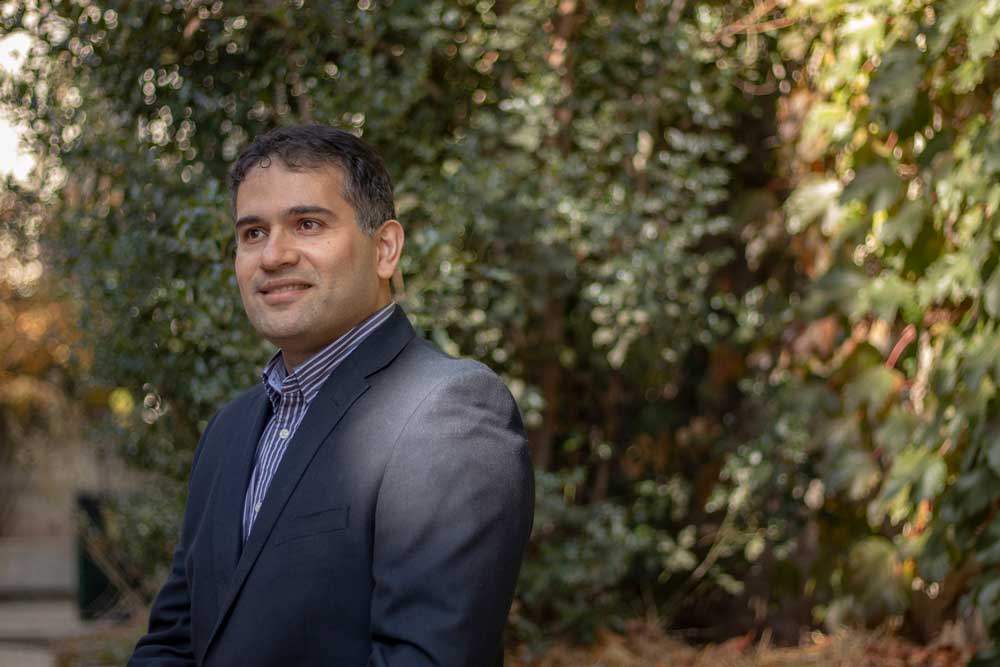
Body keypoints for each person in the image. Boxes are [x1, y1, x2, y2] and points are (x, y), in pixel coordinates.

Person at [129, 124, 535, 666]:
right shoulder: (228, 432)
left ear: (385, 248)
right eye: (252, 234)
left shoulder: (448, 413)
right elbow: (173, 642)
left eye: (307, 224)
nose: (273, 256)